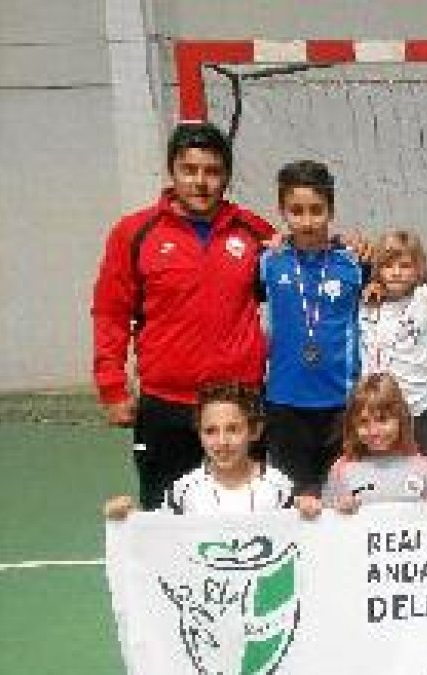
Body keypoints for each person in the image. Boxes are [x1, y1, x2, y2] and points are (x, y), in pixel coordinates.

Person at [91, 122, 274, 509]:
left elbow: (307, 254)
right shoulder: (134, 233)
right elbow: (110, 312)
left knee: (248, 515)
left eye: (212, 171)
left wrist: (352, 248)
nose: (200, 182)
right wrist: (112, 385)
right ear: (171, 171)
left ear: (226, 176)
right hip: (166, 405)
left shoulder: (253, 232)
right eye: (189, 170)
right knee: (166, 517)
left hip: (239, 404)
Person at [259, 160, 364, 497]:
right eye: (296, 211)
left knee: (343, 502)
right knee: (292, 501)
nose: (306, 221)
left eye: (316, 210)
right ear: (282, 211)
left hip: (342, 403)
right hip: (285, 402)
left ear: (331, 210)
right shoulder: (267, 262)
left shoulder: (356, 263)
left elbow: (409, 276)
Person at [103, 382, 296, 518]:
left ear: (255, 431)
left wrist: (307, 514)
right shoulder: (183, 491)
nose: (222, 442)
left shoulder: (280, 486)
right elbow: (158, 538)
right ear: (199, 434)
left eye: (233, 429)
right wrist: (128, 517)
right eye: (210, 431)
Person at [359, 230, 427, 492]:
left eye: (405, 265)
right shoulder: (365, 301)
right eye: (388, 265)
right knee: (379, 486)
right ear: (378, 268)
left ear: (418, 268)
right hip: (376, 414)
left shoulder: (426, 296)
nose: (396, 272)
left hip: (418, 412)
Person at [322, 373, 427, 514]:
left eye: (382, 420)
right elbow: (326, 518)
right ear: (353, 425)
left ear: (400, 419)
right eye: (363, 422)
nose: (374, 431)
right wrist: (337, 508)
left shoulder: (423, 469)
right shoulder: (341, 470)